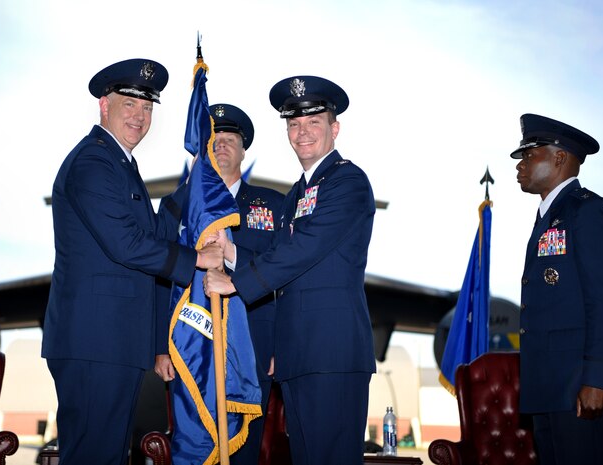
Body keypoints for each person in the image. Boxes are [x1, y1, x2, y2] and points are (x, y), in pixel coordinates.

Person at [41, 58, 224, 465]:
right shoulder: (94, 162)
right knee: (93, 454)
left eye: (147, 108)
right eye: (129, 105)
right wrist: (196, 258)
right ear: (104, 106)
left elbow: (151, 233)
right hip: (95, 342)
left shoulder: (119, 164)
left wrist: (191, 189)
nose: (140, 117)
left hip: (112, 342)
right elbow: (126, 244)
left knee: (106, 454)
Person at [205, 76, 376, 465]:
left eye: (313, 122)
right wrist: (232, 252)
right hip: (299, 355)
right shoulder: (298, 194)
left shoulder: (346, 181)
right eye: (294, 124)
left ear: (334, 128)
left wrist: (234, 282)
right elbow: (280, 257)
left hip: (332, 352)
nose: (302, 132)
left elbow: (304, 249)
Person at [154, 103, 285, 465]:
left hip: (256, 343)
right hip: (190, 345)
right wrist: (159, 347)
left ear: (244, 150)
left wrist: (281, 344)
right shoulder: (176, 207)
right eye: (215, 138)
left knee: (245, 449)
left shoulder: (271, 206)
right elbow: (158, 279)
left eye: (231, 138)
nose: (222, 144)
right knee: (193, 443)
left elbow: (284, 275)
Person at [510, 113, 603, 464]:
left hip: (579, 390)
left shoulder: (587, 211)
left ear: (559, 157)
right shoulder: (549, 217)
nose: (520, 165)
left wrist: (599, 379)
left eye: (529, 155)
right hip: (550, 388)